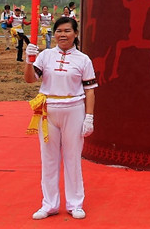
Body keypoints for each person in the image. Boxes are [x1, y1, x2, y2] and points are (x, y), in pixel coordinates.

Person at [24, 16, 97, 220]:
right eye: (59, 31)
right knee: (49, 159)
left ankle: (75, 203)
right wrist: (29, 60)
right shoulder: (45, 55)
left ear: (75, 34)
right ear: (54, 34)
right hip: (48, 110)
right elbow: (30, 79)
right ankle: (49, 204)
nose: (62, 35)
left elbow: (90, 91)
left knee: (72, 158)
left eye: (67, 31)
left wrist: (89, 117)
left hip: (73, 108)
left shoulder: (83, 59)